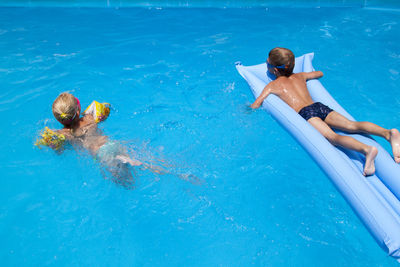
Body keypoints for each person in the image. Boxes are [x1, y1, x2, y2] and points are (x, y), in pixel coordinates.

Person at [250, 47, 400, 176]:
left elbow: (256, 104)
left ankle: (366, 150)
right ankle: (388, 133)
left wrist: (247, 110)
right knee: (352, 125)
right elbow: (319, 73)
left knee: (332, 137)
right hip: (319, 106)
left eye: (267, 63)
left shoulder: (273, 85)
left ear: (274, 70)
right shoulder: (300, 76)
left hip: (306, 113)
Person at [40, 92, 154, 188]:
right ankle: (142, 164)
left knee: (128, 184)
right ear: (78, 110)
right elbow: (105, 111)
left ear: (59, 120)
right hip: (111, 144)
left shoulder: (64, 134)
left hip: (101, 154)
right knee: (131, 161)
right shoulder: (89, 118)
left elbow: (58, 150)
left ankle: (122, 160)